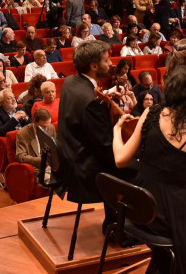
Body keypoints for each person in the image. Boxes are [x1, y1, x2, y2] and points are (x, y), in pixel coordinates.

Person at [112, 67, 186, 274]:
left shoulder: (150, 113)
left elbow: (121, 160)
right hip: (167, 214)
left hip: (138, 205)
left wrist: (117, 130)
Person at [57, 40, 134, 233]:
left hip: (67, 158)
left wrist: (105, 97)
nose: (110, 64)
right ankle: (122, 229)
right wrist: (132, 150)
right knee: (138, 170)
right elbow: (107, 149)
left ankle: (115, 221)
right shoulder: (92, 102)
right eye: (106, 60)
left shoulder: (70, 82)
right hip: (84, 171)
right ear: (93, 66)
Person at [15, 107, 56, 179]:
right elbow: (20, 156)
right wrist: (41, 160)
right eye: (42, 127)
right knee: (54, 182)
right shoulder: (23, 134)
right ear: (34, 121)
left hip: (52, 166)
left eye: (48, 125)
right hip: (38, 169)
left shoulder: (51, 127)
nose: (46, 130)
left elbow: (55, 146)